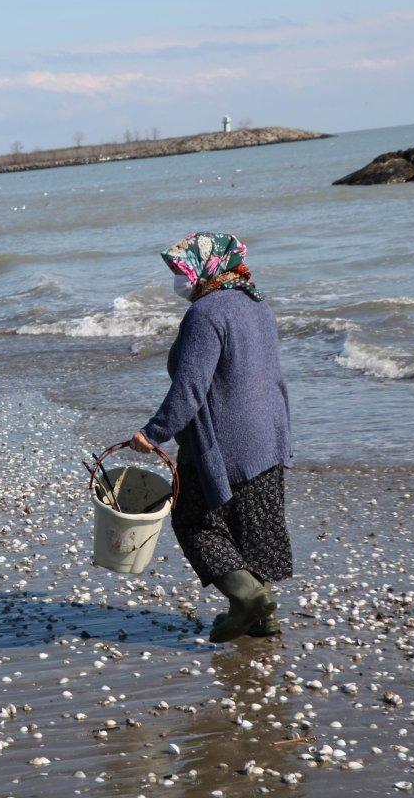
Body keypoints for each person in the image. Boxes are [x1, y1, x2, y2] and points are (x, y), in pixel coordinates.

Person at [129, 233, 293, 643]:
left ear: (206, 269)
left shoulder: (205, 314)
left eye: (183, 270)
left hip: (226, 443)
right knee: (252, 529)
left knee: (194, 522)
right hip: (269, 435)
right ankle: (262, 617)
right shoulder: (258, 305)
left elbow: (190, 389)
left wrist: (153, 433)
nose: (179, 280)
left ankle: (251, 599)